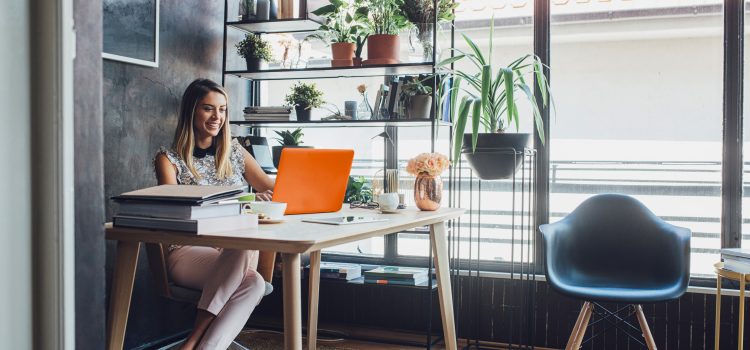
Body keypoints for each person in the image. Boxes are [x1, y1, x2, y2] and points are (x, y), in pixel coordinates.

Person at [154, 78, 274, 350]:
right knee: (249, 272)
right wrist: (244, 201)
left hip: (232, 252)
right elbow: (175, 210)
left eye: (222, 110)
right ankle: (196, 341)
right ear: (191, 111)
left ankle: (200, 346)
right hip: (187, 251)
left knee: (251, 277)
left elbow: (272, 187)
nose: (217, 117)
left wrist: (301, 185)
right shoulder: (168, 158)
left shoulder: (233, 151)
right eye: (209, 109)